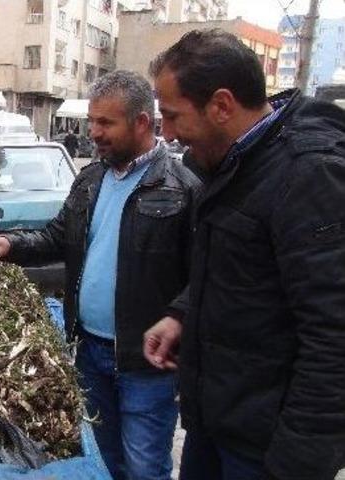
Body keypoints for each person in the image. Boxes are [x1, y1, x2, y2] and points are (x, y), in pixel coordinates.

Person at [0, 70, 200, 480]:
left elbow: (202, 279)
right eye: (92, 121)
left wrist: (180, 322)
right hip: (89, 352)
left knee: (144, 466)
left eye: (105, 123)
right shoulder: (91, 178)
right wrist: (11, 244)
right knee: (102, 460)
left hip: (146, 362)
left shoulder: (181, 188)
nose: (94, 132)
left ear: (142, 122)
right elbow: (58, 236)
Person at [144, 29, 345, 480]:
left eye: (174, 117)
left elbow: (333, 338)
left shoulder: (309, 175)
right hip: (215, 426)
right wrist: (181, 313)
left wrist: (297, 464)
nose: (169, 135)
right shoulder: (232, 163)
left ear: (221, 105)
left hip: (267, 449)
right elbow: (237, 269)